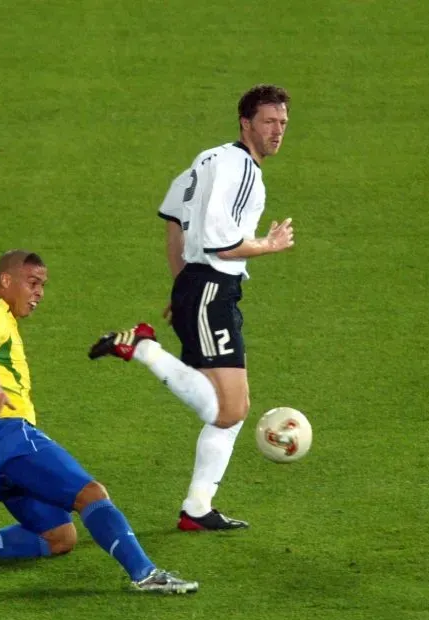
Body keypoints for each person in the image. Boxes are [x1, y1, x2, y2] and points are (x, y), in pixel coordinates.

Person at [0, 245, 197, 594]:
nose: (38, 294)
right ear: (6, 281)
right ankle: (145, 574)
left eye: (42, 286)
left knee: (59, 537)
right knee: (91, 494)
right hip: (7, 434)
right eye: (32, 283)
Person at [89, 84, 294, 532]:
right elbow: (224, 244)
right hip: (213, 289)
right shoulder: (242, 169)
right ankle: (144, 348)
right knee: (228, 411)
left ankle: (197, 508)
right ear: (246, 123)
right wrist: (270, 245)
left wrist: (182, 283)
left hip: (200, 289)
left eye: (282, 123)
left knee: (232, 411)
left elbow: (174, 221)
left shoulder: (207, 160)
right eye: (268, 122)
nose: (277, 131)